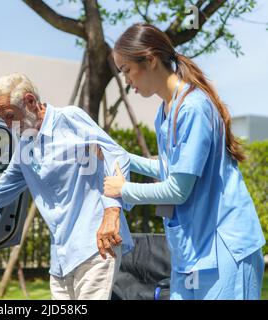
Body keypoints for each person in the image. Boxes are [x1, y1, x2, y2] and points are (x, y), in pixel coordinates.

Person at [0, 73, 134, 300]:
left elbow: (116, 155)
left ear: (30, 101)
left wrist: (111, 213)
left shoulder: (69, 119)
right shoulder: (26, 146)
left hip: (95, 243)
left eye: (10, 116)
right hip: (62, 256)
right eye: (4, 120)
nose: (8, 126)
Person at [104, 23, 265, 300]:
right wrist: (123, 157)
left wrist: (123, 189)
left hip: (225, 249)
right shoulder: (164, 112)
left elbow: (178, 189)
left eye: (127, 70)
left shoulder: (193, 107)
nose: (126, 81)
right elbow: (170, 170)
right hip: (192, 251)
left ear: (150, 59)